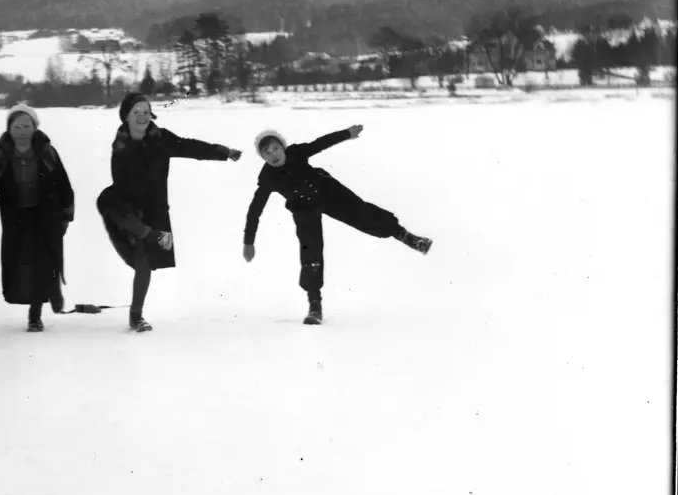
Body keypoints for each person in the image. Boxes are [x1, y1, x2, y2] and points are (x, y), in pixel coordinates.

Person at [242, 125, 433, 326]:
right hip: (303, 209)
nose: (273, 155)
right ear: (262, 157)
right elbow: (254, 211)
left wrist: (347, 134)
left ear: (283, 146)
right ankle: (315, 305)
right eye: (267, 152)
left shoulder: (296, 152)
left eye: (275, 148)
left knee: (364, 214)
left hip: (328, 193)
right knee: (310, 252)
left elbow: (320, 143)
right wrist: (249, 242)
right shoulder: (267, 178)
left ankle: (407, 237)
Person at [96, 91, 242, 333]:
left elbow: (188, 146)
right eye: (136, 112)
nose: (142, 116)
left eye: (145, 111)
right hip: (129, 207)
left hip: (154, 208)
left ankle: (136, 316)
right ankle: (149, 240)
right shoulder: (120, 147)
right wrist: (133, 220)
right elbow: (122, 185)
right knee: (140, 253)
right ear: (126, 117)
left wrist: (222, 152)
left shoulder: (160, 138)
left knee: (144, 262)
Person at [0, 104, 75, 332]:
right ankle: (47, 294)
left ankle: (36, 313)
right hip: (16, 217)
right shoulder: (1, 156)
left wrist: (67, 214)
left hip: (46, 214)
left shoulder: (47, 152)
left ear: (35, 127)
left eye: (27, 125)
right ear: (9, 129)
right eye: (17, 126)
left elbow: (63, 183)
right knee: (24, 265)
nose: (22, 130)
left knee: (45, 261)